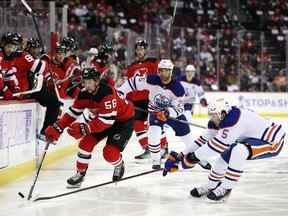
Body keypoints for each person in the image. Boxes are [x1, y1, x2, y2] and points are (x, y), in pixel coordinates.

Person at [163, 98, 286, 201]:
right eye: (211, 115)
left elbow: (215, 147)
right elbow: (202, 140)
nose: (212, 119)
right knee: (224, 157)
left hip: (272, 142)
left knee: (239, 150)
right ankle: (212, 185)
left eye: (214, 115)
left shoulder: (233, 122)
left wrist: (189, 160)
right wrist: (180, 156)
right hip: (252, 138)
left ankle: (226, 187)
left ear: (222, 113)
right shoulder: (223, 119)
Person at [45, 68, 135, 188]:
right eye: (84, 81)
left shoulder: (106, 93)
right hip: (103, 119)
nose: (86, 85)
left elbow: (107, 121)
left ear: (97, 81)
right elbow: (73, 113)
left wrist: (84, 128)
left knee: (110, 153)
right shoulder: (83, 94)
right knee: (85, 144)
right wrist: (58, 127)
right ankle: (80, 173)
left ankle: (119, 165)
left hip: (123, 121)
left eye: (89, 82)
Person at [118, 59, 207, 170]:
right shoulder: (151, 79)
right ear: (158, 71)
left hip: (173, 115)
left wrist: (168, 112)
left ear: (171, 71)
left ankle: (201, 159)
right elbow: (133, 82)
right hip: (155, 112)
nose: (164, 73)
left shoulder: (178, 88)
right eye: (161, 71)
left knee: (188, 139)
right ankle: (156, 160)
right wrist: (121, 92)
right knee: (153, 135)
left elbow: (179, 108)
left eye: (167, 71)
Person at [0, 32, 62, 137]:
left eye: (14, 46)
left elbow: (10, 75)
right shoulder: (20, 56)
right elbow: (39, 68)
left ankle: (46, 132)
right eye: (9, 46)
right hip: (17, 91)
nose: (11, 49)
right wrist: (6, 89)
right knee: (54, 103)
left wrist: (14, 88)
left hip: (22, 91)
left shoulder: (15, 55)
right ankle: (46, 131)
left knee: (54, 102)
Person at [125, 39, 168, 160]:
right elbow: (129, 85)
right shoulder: (131, 67)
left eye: (142, 49)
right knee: (137, 124)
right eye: (138, 49)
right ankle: (147, 149)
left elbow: (161, 78)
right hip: (137, 100)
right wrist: (128, 100)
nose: (139, 51)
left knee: (155, 124)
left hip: (151, 98)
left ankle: (164, 148)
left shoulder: (154, 63)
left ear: (146, 50)